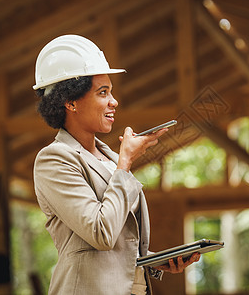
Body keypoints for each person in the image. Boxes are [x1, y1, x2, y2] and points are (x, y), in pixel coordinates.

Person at [32, 34, 200, 295]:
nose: (114, 101)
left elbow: (119, 241)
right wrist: (126, 163)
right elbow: (100, 233)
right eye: (103, 93)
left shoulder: (108, 157)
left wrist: (155, 260)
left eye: (111, 91)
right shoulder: (54, 159)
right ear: (70, 102)